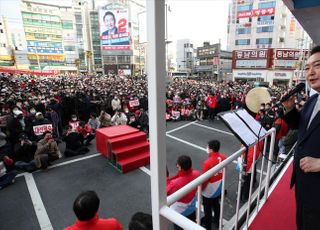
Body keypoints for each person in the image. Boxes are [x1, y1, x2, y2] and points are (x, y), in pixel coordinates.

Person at [282, 45, 320, 230]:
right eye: (307, 68)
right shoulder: (313, 99)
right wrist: (289, 108)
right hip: (304, 184)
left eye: (317, 65)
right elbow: (302, 126)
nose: (310, 73)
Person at [166, 155, 200, 230]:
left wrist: (166, 178)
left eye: (177, 164)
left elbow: (166, 192)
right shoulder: (196, 174)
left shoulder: (175, 183)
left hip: (179, 212)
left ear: (180, 167)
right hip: (191, 208)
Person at [201, 140, 226, 230]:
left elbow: (204, 180)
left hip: (209, 190)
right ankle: (216, 220)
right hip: (219, 186)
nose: (206, 148)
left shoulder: (207, 163)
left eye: (207, 147)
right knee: (216, 204)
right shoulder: (223, 157)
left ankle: (208, 226)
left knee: (207, 210)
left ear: (211, 149)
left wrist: (200, 190)